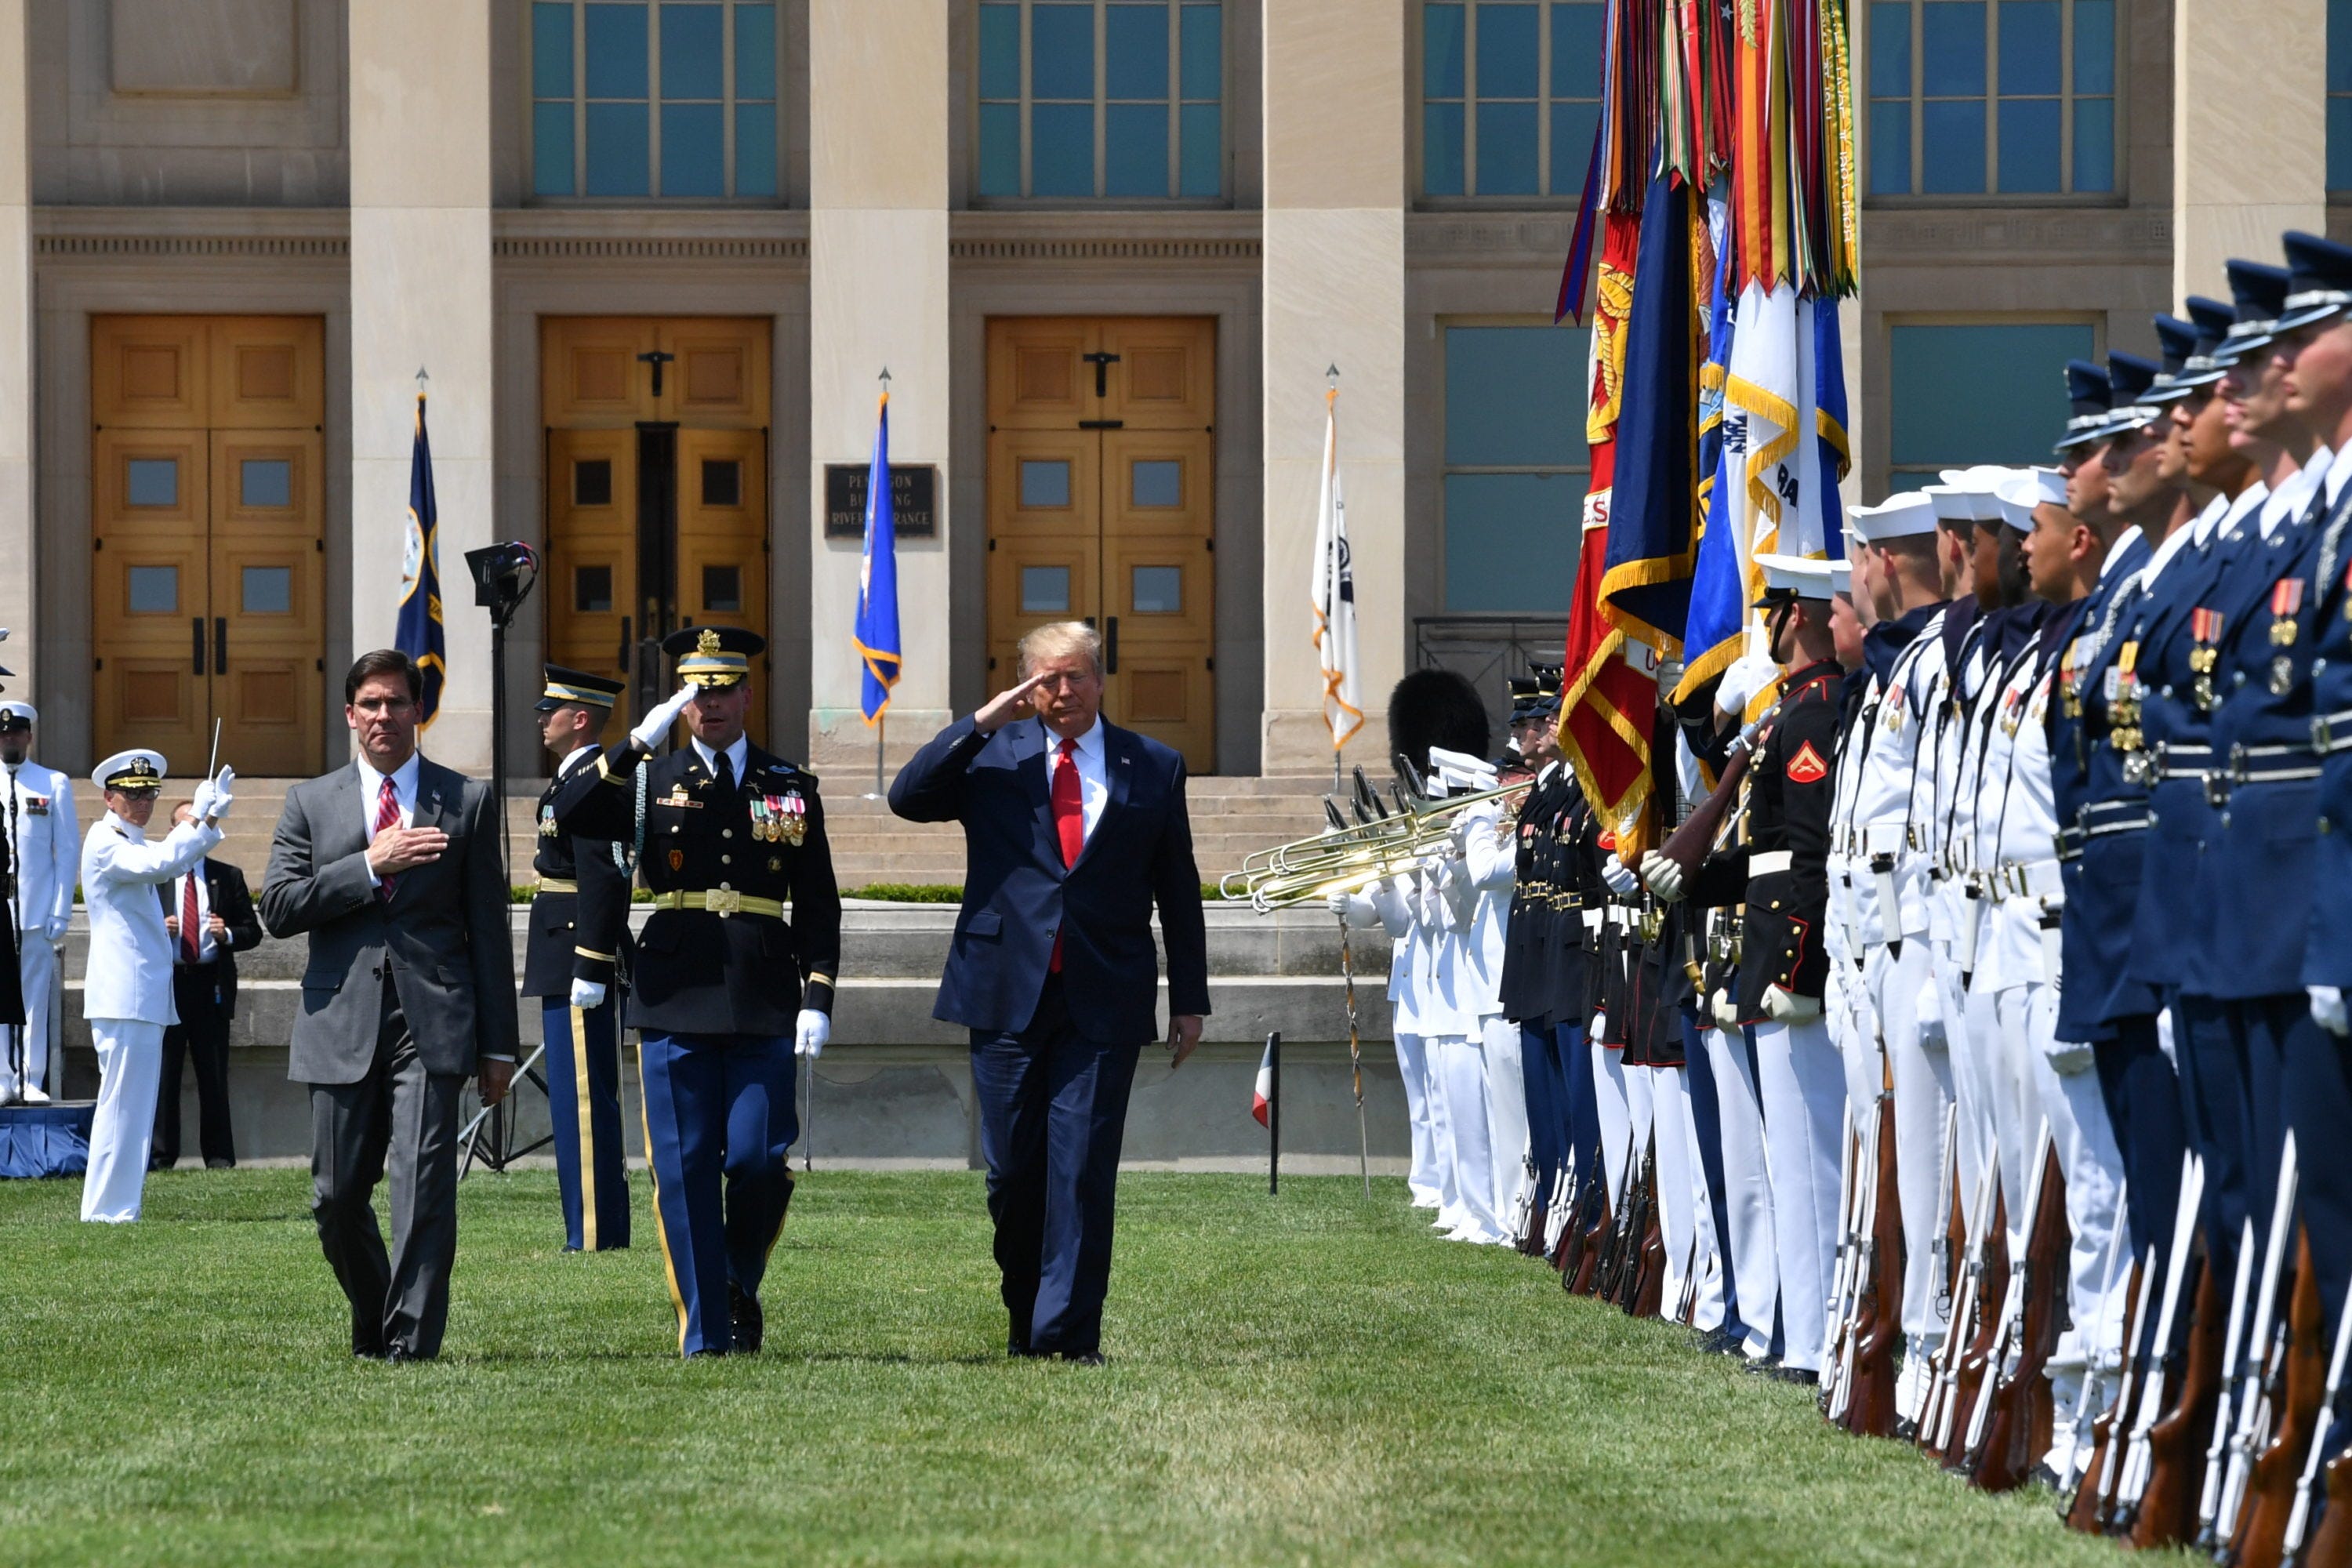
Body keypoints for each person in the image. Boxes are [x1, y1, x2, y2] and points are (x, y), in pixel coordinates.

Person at [889, 620, 1207, 1363]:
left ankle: (1067, 1335)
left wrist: (1189, 997)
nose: (1063, 692)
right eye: (1046, 679)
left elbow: (1178, 888)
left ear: (1100, 679)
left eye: (1076, 676)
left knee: (1083, 1171)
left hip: (1105, 994)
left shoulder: (1153, 765)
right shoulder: (990, 756)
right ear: (1025, 687)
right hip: (1005, 992)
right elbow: (908, 796)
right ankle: (1026, 1312)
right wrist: (980, 722)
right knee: (1013, 1174)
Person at [550, 626, 838, 1357]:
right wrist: (633, 745)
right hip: (675, 990)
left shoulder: (789, 785)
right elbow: (572, 812)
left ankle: (736, 1281)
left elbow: (819, 902)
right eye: (696, 693)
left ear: (748, 696)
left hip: (763, 991)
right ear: (682, 705)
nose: (710, 705)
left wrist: (818, 994)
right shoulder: (649, 778)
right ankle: (707, 1332)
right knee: (682, 1168)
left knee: (757, 1161)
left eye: (723, 690)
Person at [260, 650, 519, 1362]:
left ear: (418, 711)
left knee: (423, 1185)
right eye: (370, 704)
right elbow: (277, 909)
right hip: (339, 1021)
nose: (384, 716)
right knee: (336, 1198)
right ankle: (378, 1315)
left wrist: (499, 1044)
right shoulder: (310, 803)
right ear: (350, 715)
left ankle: (411, 1343)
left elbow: (489, 931)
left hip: (432, 1022)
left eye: (397, 702)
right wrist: (370, 865)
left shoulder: (465, 801)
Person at [79, 751, 230, 1221]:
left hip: (139, 994)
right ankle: (107, 1211)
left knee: (134, 1107)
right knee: (121, 1106)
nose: (143, 802)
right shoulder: (105, 840)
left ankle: (120, 1207)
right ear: (110, 798)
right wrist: (199, 815)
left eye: (149, 794)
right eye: (133, 795)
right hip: (123, 994)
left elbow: (166, 858)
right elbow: (163, 864)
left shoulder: (131, 839)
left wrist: (208, 819)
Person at [526, 664, 633, 1253]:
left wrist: (591, 962)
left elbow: (604, 878)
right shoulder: (574, 778)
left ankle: (594, 1233)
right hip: (559, 947)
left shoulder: (596, 781)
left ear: (581, 719)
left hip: (576, 953)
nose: (542, 720)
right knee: (572, 1101)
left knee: (585, 1100)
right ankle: (588, 1227)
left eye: (552, 711)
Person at [151, 800, 262, 1170]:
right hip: (167, 985)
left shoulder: (227, 876)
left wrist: (226, 933)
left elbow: (252, 932)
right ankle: (161, 1156)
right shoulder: (155, 877)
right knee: (165, 1074)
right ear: (172, 832)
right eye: (186, 824)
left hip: (210, 985)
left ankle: (218, 1157)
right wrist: (157, 929)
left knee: (213, 1074)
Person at [0, 702, 76, 1104]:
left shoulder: (53, 782)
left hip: (35, 909)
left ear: (29, 736)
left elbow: (66, 850)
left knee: (34, 999)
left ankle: (31, 1077)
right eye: (3, 734)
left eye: (16, 733)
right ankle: (2, 1076)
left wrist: (61, 909)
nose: (9, 739)